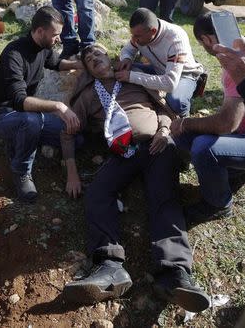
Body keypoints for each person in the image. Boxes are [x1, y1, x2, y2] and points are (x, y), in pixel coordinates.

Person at [61, 44, 210, 313]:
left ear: (111, 57)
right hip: (122, 153)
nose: (95, 58)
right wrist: (71, 171)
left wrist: (164, 131)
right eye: (89, 59)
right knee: (97, 193)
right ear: (88, 70)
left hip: (157, 146)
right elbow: (68, 132)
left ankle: (175, 274)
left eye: (99, 53)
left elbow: (165, 109)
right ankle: (109, 266)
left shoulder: (135, 79)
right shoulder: (86, 96)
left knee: (165, 199)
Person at [170, 12, 245, 224]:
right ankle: (242, 170)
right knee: (189, 135)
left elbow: (227, 123)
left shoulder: (234, 65)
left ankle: (218, 204)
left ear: (206, 40)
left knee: (203, 147)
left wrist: (185, 122)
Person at [0, 6, 83, 203]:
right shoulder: (13, 54)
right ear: (40, 31)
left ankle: (25, 140)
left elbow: (56, 63)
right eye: (55, 35)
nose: (58, 39)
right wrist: (58, 106)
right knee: (31, 122)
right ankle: (21, 170)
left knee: (77, 138)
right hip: (5, 114)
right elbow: (19, 101)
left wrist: (78, 64)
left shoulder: (43, 48)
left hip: (31, 115)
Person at [116, 7, 203, 117]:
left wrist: (131, 77)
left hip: (183, 74)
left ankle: (183, 120)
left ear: (153, 31)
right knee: (123, 69)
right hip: (159, 69)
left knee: (177, 103)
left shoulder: (175, 40)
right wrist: (126, 58)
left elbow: (170, 83)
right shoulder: (142, 32)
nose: (134, 39)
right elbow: (128, 50)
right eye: (132, 34)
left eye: (137, 36)